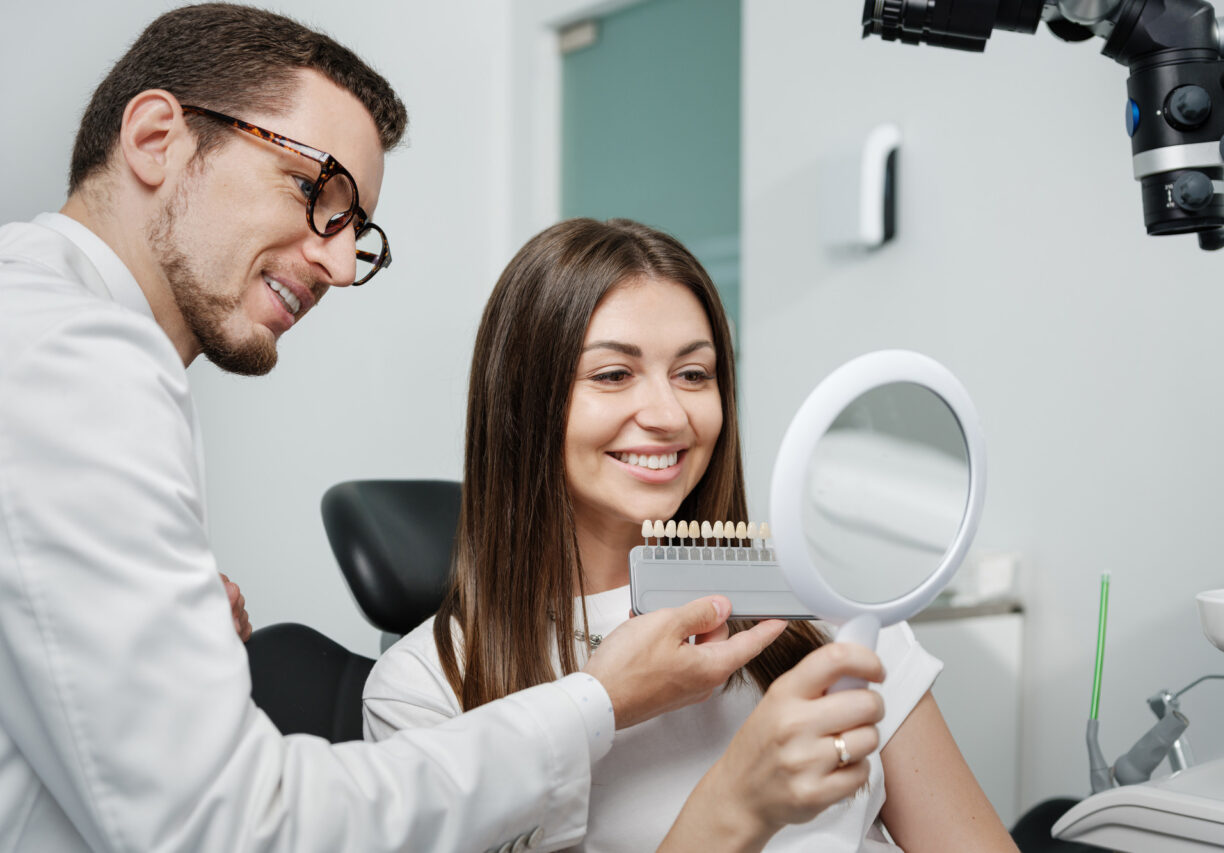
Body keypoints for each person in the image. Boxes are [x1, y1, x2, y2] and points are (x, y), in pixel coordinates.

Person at [0, 6, 797, 851]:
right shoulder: (75, 356)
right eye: (318, 193)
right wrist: (598, 704)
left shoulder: (777, 591)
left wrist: (170, 650)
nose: (342, 267)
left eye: (695, 371)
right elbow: (221, 825)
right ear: (159, 137)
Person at [363, 218, 1019, 852]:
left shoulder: (832, 607)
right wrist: (738, 805)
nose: (670, 414)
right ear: (522, 401)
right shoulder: (424, 691)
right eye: (614, 374)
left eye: (694, 373)